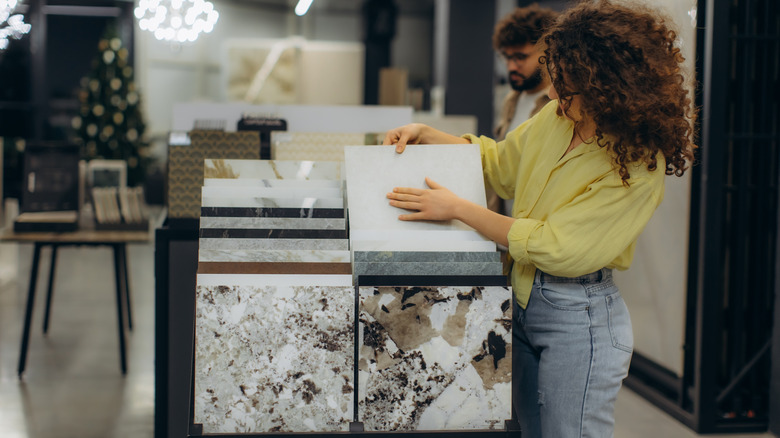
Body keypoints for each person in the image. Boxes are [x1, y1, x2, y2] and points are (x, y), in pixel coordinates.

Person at [382, 1, 697, 437]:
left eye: (567, 89)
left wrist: (460, 210)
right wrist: (430, 135)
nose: (551, 95)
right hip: (524, 299)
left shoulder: (637, 163)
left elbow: (558, 247)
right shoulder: (555, 118)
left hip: (578, 315)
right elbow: (501, 164)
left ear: (608, 88)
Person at [493, 4, 559, 141]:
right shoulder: (511, 100)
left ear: (548, 52)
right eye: (507, 57)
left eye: (520, 57)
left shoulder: (559, 104)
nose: (511, 67)